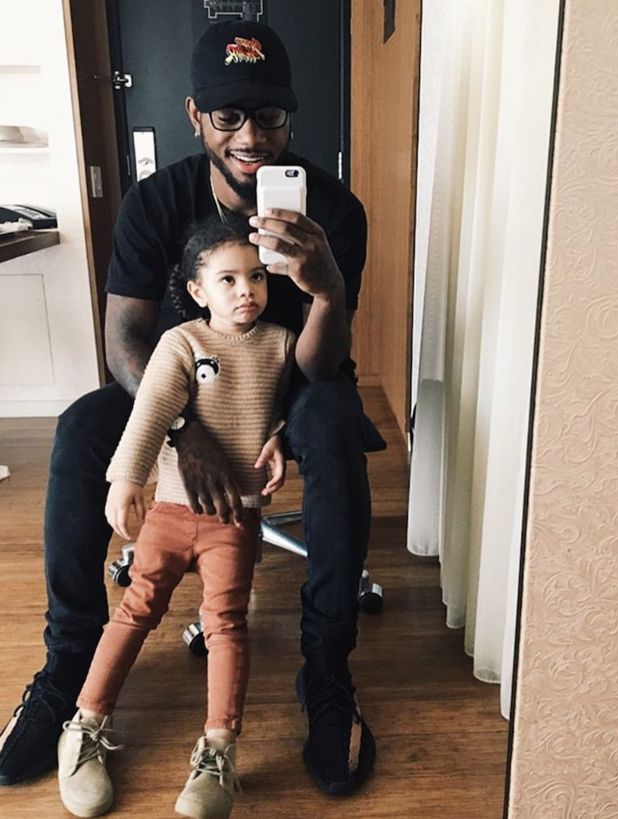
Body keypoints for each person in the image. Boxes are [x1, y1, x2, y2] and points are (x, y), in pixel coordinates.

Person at [0, 19, 379, 797]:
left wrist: (327, 287)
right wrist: (182, 426)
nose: (250, 136)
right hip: (179, 390)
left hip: (290, 387)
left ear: (291, 115)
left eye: (268, 115)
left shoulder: (335, 210)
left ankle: (326, 670)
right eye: (228, 115)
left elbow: (320, 365)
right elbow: (124, 340)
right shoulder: (155, 202)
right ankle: (69, 664)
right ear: (195, 114)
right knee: (82, 427)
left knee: (334, 425)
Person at [57, 221, 294, 819]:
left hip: (234, 515)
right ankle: (84, 724)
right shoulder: (182, 342)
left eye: (257, 277)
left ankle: (219, 749)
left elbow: (287, 404)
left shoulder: (280, 343)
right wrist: (126, 478)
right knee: (137, 609)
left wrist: (280, 438)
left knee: (226, 622)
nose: (246, 290)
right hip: (168, 508)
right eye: (228, 279)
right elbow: (154, 408)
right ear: (197, 290)